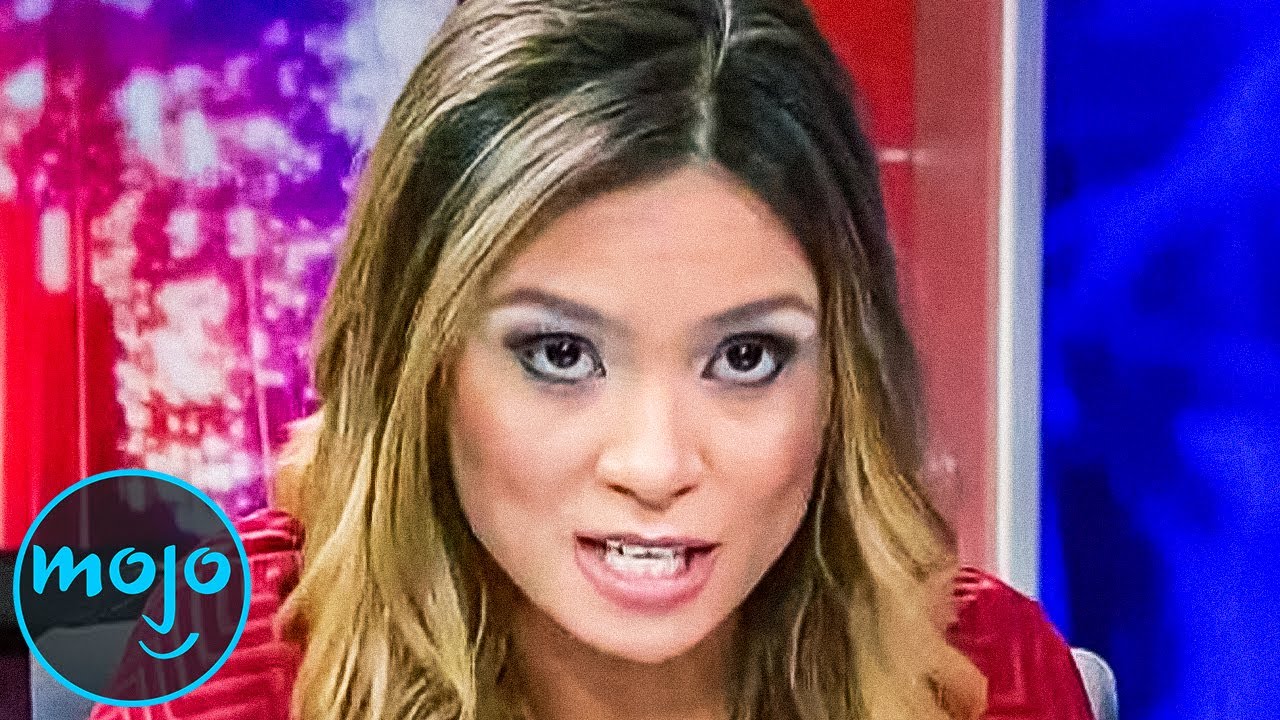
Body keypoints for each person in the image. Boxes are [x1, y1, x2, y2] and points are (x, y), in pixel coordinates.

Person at [92, 0, 1095, 718]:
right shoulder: (214, 678)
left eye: (747, 356)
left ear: (845, 375)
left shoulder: (984, 679)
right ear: (417, 360)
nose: (655, 465)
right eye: (560, 353)